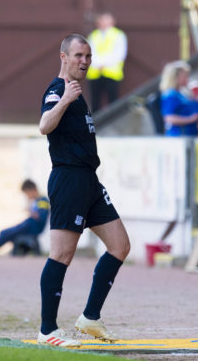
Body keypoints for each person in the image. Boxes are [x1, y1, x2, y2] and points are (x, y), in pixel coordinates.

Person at [37, 34, 130, 347]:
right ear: (63, 57)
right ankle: (47, 330)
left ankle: (90, 317)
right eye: (78, 55)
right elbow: (44, 126)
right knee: (61, 254)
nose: (85, 61)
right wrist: (64, 100)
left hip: (89, 181)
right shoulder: (58, 89)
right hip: (69, 180)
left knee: (119, 245)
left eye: (88, 56)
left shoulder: (79, 91)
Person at [0, 179, 49, 257]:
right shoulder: (37, 201)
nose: (27, 196)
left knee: (5, 233)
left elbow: (40, 217)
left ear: (33, 189)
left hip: (31, 227)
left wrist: (29, 208)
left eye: (27, 194)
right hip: (28, 225)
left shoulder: (42, 200)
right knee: (4, 233)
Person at [86, 13, 127, 112]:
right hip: (95, 73)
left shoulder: (119, 35)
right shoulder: (93, 35)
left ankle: (113, 123)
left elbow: (119, 54)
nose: (103, 23)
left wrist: (104, 64)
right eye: (102, 20)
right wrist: (97, 64)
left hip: (111, 73)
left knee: (113, 101)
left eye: (106, 20)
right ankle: (96, 124)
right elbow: (90, 53)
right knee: (95, 102)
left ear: (112, 22)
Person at [159, 60, 198, 136]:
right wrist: (191, 119)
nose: (188, 79)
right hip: (179, 136)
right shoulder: (170, 95)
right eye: (185, 76)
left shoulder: (184, 93)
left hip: (191, 134)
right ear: (176, 77)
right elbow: (169, 118)